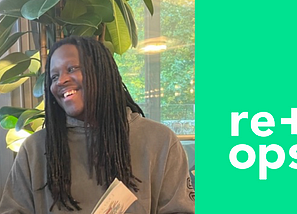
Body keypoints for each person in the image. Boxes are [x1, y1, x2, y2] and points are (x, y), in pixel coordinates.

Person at [0, 36, 195, 213]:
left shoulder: (159, 141)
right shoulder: (34, 150)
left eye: (72, 69)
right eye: (53, 77)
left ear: (101, 73)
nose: (61, 81)